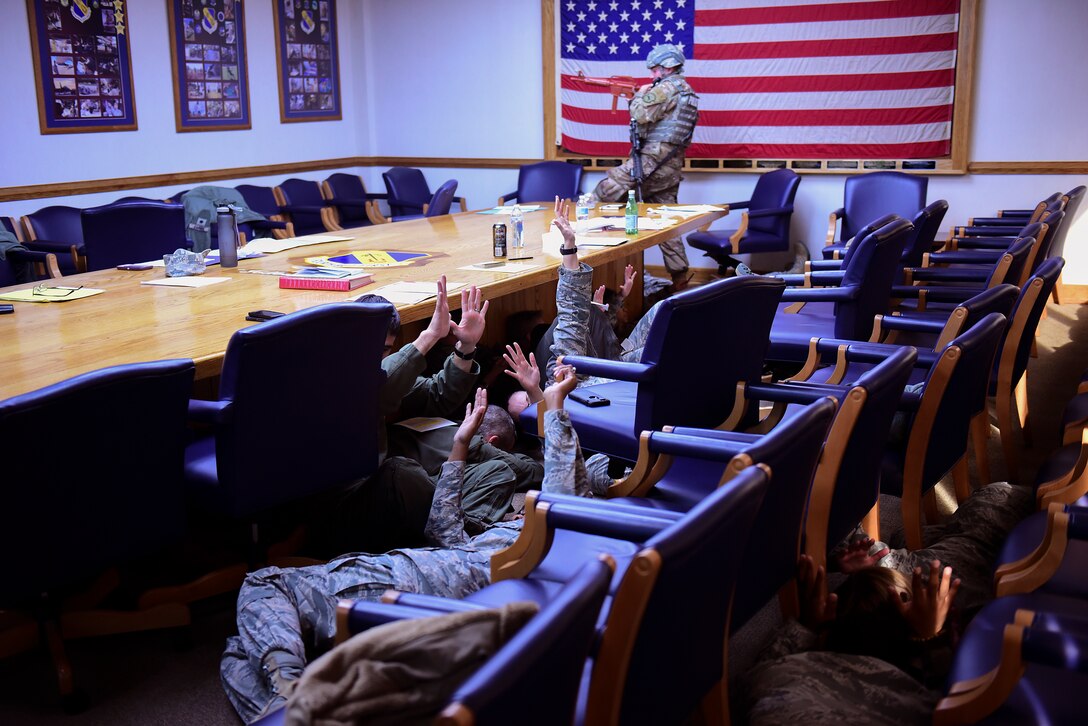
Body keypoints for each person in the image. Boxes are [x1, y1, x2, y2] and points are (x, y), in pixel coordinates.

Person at [221, 370, 593, 722]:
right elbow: (442, 530)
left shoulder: (551, 535)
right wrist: (461, 445)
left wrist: (555, 404)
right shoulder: (542, 541)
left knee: (265, 583)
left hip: (425, 581)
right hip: (445, 568)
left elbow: (564, 494)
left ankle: (291, 696)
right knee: (238, 650)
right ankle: (291, 710)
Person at [585, 43, 699, 291]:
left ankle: (579, 261)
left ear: (668, 66)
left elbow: (640, 114)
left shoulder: (666, 88)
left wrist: (638, 95)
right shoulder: (687, 92)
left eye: (655, 69)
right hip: (669, 168)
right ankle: (681, 280)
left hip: (649, 163)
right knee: (668, 223)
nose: (651, 76)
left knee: (604, 192)